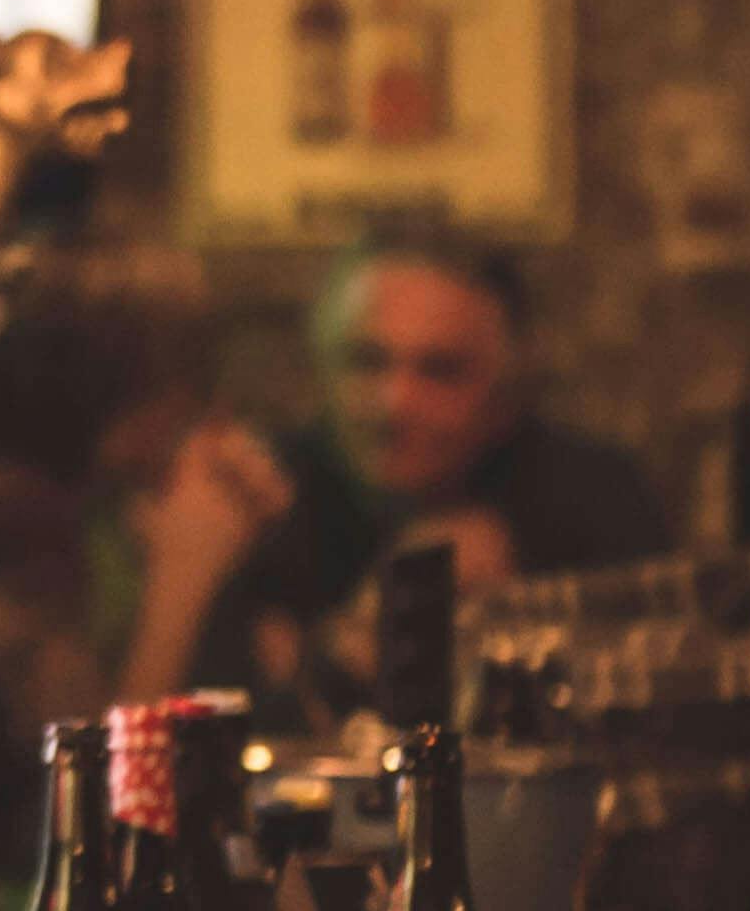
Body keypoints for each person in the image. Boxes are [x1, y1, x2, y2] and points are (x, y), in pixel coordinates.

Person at [118, 240, 669, 729]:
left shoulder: (591, 497)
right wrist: (180, 581)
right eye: (366, 362)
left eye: (440, 370)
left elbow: (660, 732)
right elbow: (131, 789)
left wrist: (513, 621)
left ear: (508, 385)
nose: (393, 403)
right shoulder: (263, 499)